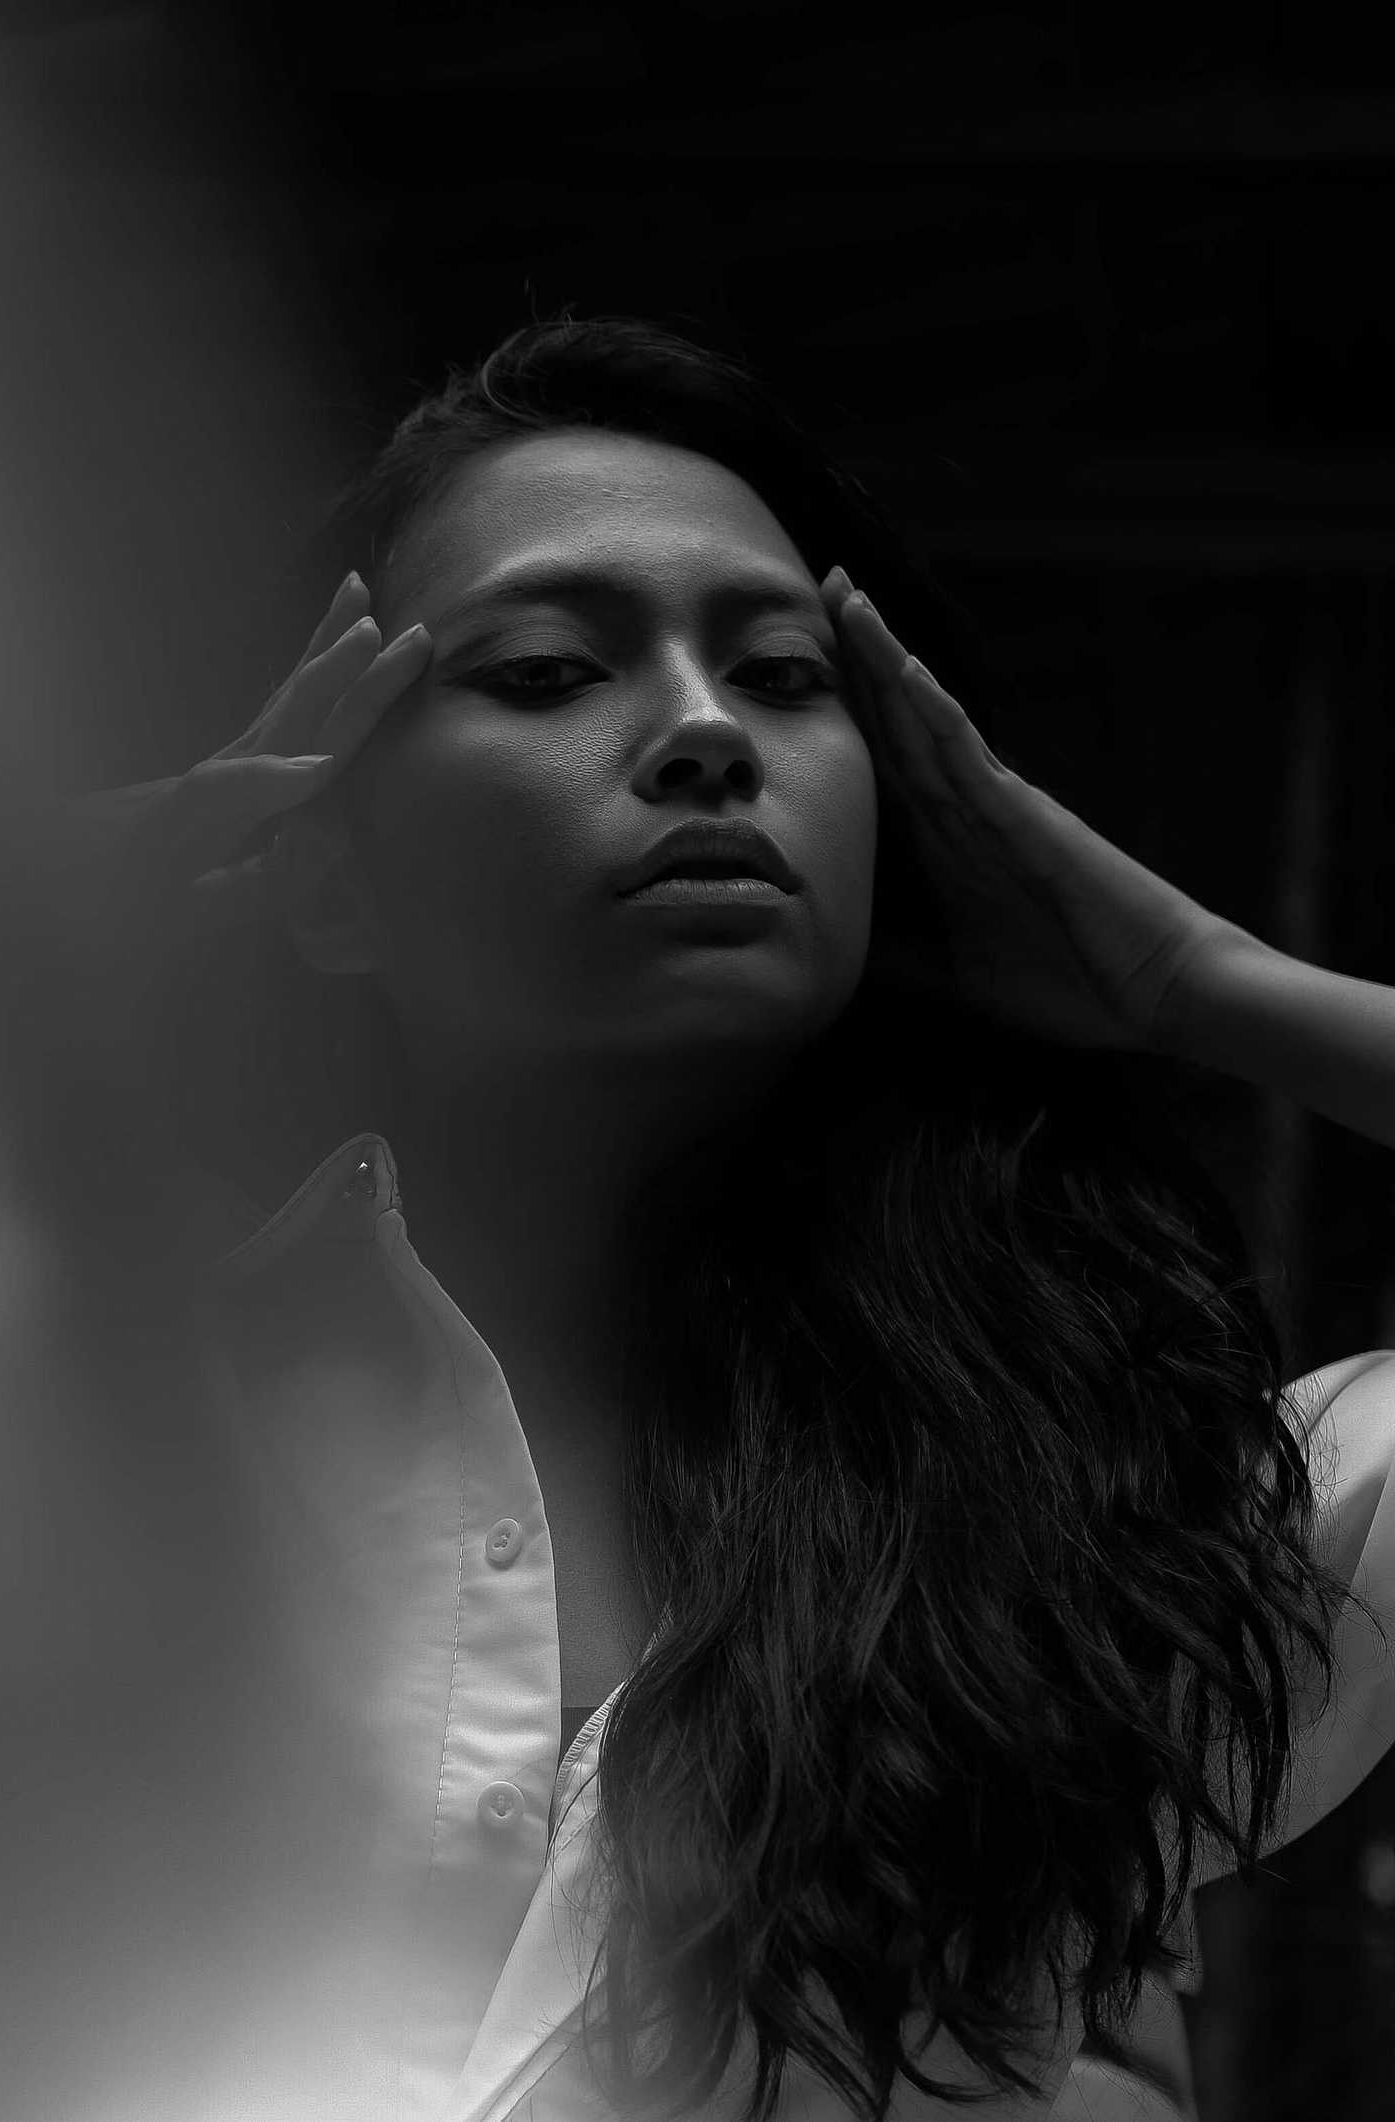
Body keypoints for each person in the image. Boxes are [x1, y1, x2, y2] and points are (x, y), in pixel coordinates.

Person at [86, 315, 1395, 2121]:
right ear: (322, 876)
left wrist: (1208, 980)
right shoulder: (37, 1435)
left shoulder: (1130, 1537)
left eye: (785, 673)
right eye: (548, 672)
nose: (705, 731)